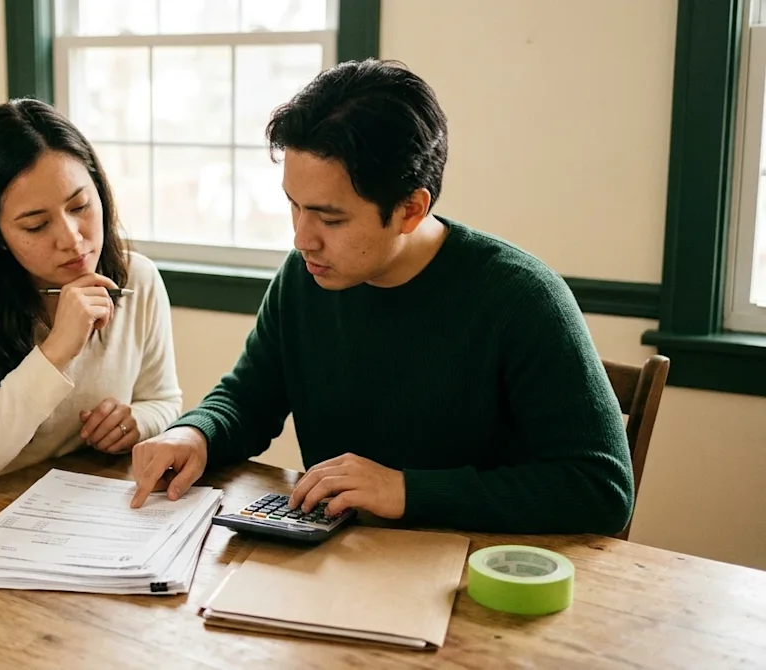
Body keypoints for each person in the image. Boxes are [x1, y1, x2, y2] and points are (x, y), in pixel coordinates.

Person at [128, 59, 635, 535]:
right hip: (338, 566)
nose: (303, 238)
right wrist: (194, 433)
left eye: (330, 218)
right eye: (294, 206)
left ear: (411, 209)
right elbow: (247, 399)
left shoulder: (522, 298)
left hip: (476, 584)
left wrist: (407, 491)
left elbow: (601, 489)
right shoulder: (305, 276)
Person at [0, 99, 183, 509]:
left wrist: (136, 423)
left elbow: (164, 401)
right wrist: (56, 350)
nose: (72, 238)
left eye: (80, 206)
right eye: (36, 225)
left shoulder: (139, 280)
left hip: (61, 510)